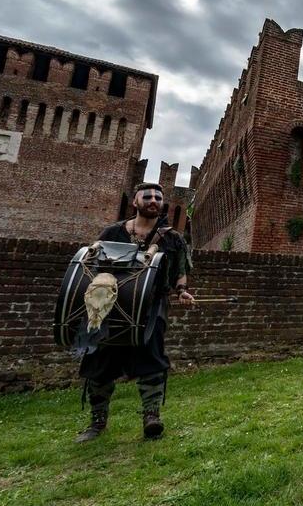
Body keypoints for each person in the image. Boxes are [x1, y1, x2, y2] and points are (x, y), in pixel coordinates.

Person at [76, 183, 196, 443]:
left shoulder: (172, 238)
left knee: (151, 358)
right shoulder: (113, 232)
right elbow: (92, 266)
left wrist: (182, 290)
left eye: (158, 198)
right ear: (135, 202)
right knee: (100, 361)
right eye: (148, 197)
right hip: (109, 306)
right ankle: (97, 422)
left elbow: (179, 270)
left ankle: (151, 417)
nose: (154, 201)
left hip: (152, 305)